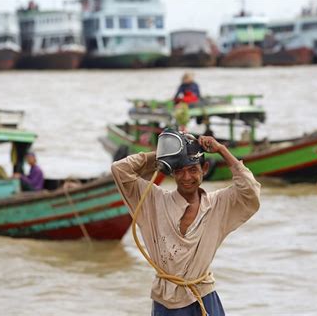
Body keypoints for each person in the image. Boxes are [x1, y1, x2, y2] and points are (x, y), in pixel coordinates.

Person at [111, 135, 261, 315]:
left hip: (203, 299)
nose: (187, 177)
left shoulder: (218, 205)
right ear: (173, 172)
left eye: (193, 170)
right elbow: (120, 170)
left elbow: (250, 190)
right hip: (165, 302)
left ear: (204, 169)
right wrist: (166, 153)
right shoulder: (153, 201)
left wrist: (221, 150)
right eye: (180, 170)